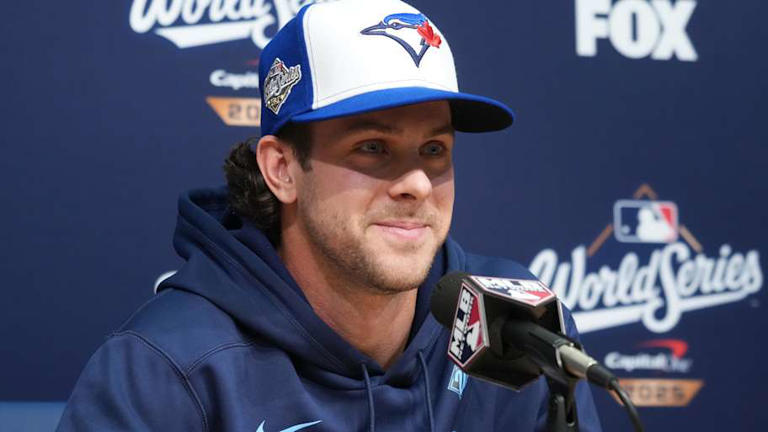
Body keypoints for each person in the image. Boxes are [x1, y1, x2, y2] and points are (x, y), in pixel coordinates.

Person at [57, 0, 601, 430]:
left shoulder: (517, 324)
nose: (415, 183)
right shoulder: (170, 366)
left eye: (434, 150)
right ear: (282, 169)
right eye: (372, 148)